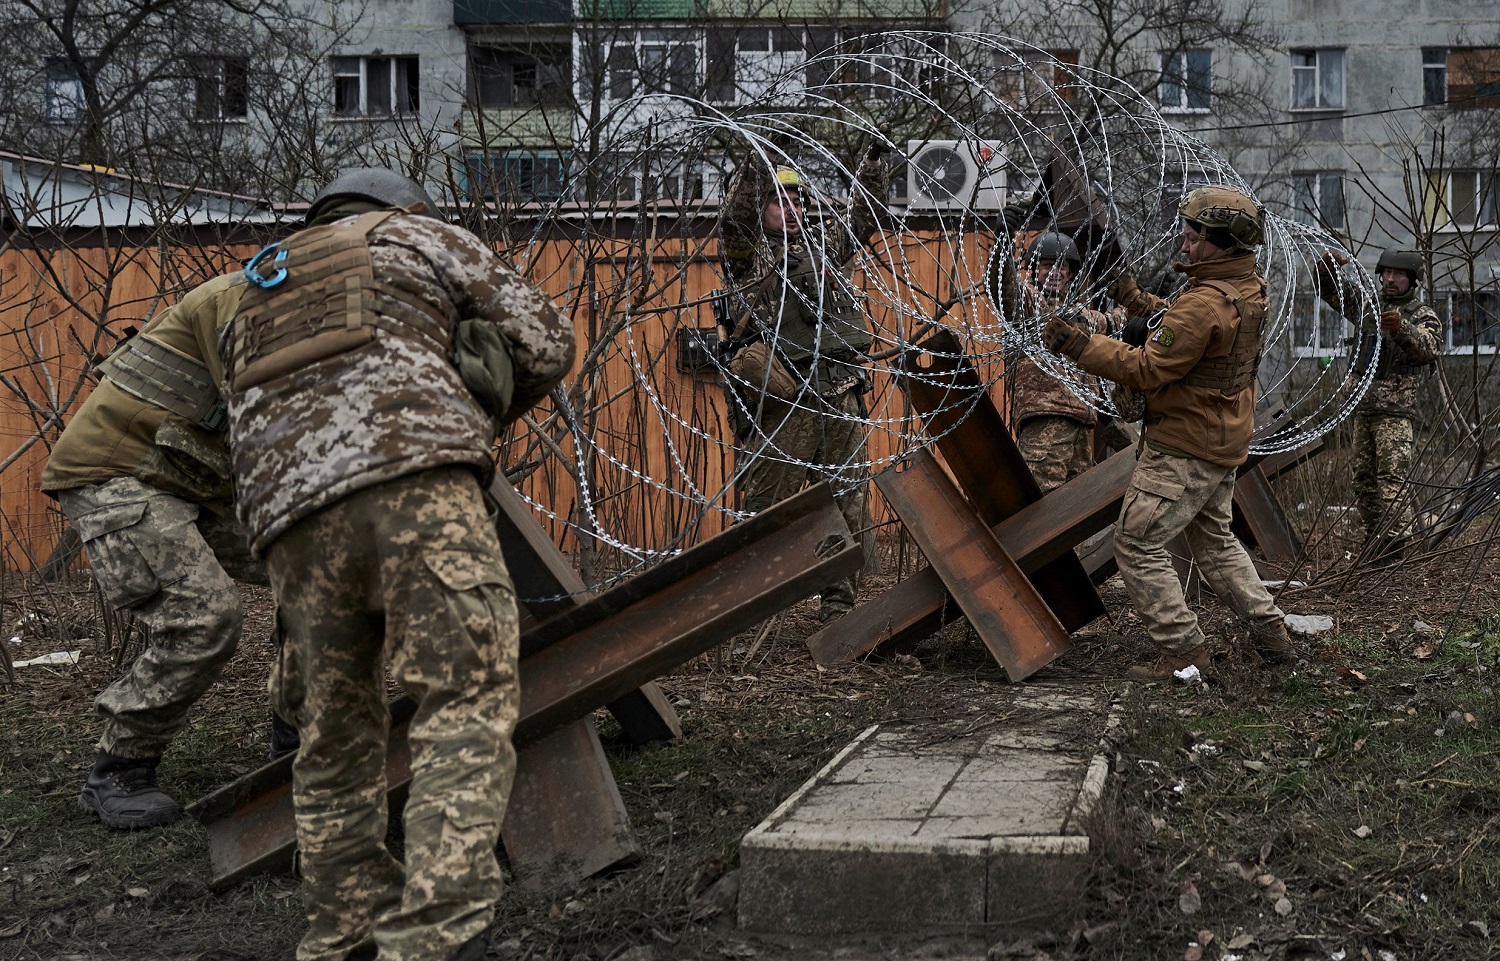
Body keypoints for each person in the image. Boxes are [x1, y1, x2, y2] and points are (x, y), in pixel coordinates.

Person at [220, 168, 574, 961]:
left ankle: (343, 932)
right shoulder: (416, 234)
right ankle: (435, 934)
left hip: (292, 520)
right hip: (416, 479)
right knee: (462, 693)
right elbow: (548, 340)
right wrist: (479, 401)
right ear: (400, 205)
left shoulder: (255, 285)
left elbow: (236, 417)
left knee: (334, 730)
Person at [41, 269, 295, 830]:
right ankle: (120, 769)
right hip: (119, 471)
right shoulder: (252, 295)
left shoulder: (336, 299)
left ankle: (299, 739)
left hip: (189, 474)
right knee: (204, 616)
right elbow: (272, 409)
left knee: (323, 574)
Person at [1041, 184, 1292, 679]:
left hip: (1184, 446)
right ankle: (1271, 632)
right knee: (1215, 542)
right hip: (1219, 440)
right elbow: (1179, 327)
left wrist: (1079, 344)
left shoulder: (1203, 305)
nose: (1184, 242)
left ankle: (1183, 650)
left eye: (1195, 236)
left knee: (1137, 543)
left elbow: (1149, 367)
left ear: (1222, 241)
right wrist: (1133, 297)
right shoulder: (1244, 288)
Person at [715, 158, 887, 622]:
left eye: (796, 198)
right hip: (785, 401)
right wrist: (754, 164)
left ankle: (840, 608)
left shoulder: (823, 244)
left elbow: (866, 215)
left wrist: (872, 163)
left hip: (838, 389)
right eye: (777, 199)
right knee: (767, 513)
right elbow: (735, 220)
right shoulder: (747, 254)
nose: (790, 207)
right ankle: (741, 612)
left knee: (847, 503)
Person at [1314, 247, 1442, 549]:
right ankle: (1378, 541)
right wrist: (1325, 269)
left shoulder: (1422, 314)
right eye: (1386, 273)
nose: (1390, 279)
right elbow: (1334, 292)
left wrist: (1401, 328)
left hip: (1394, 414)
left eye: (1398, 274)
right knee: (1364, 482)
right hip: (1364, 408)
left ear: (1412, 280)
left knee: (1391, 483)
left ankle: (1401, 545)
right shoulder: (1371, 306)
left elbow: (1429, 348)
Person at [995, 231, 1121, 492]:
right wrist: (1001, 247)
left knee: (1078, 508)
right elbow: (1005, 289)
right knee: (1042, 502)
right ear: (1033, 270)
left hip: (1081, 425)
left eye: (1061, 266)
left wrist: (1142, 301)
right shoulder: (1030, 304)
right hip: (1046, 419)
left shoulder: (1079, 314)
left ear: (1070, 273)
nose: (1055, 272)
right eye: (1047, 265)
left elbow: (1112, 322)